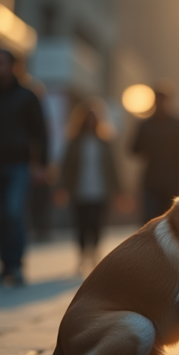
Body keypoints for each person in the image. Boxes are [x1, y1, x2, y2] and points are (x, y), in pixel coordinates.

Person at [0, 49, 48, 286]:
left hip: (18, 165)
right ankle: (4, 266)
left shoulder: (27, 96)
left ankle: (17, 265)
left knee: (13, 213)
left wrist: (41, 163)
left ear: (14, 66)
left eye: (1, 62)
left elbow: (40, 132)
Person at [56, 100, 121, 274]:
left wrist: (119, 191)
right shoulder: (75, 143)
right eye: (88, 118)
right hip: (80, 190)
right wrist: (62, 189)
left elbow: (113, 168)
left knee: (97, 223)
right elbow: (66, 167)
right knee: (81, 224)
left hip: (101, 190)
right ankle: (82, 255)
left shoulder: (104, 143)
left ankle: (94, 253)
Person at [130, 82, 179, 224]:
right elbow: (134, 150)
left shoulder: (177, 125)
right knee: (150, 218)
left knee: (169, 218)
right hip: (151, 180)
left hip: (172, 180)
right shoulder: (145, 125)